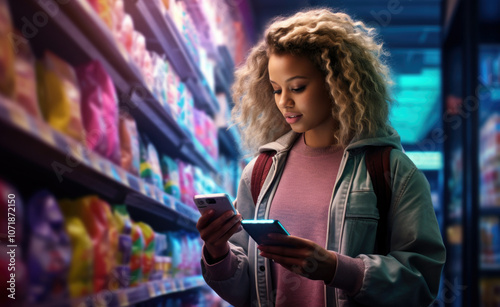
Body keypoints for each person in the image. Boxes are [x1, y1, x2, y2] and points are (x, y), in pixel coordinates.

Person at [196, 8, 446, 307]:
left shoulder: (391, 171)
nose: (284, 102)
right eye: (276, 90)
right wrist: (217, 250)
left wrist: (337, 269)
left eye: (298, 87)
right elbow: (245, 291)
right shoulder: (259, 172)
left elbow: (421, 282)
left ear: (335, 82)